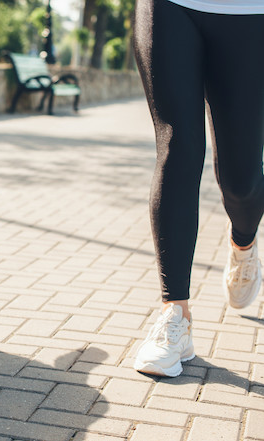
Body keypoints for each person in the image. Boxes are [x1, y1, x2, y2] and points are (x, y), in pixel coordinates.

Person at [132, 0, 264, 377]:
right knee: (179, 145)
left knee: (242, 181)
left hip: (250, 13)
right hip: (171, 6)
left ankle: (244, 240)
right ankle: (175, 315)